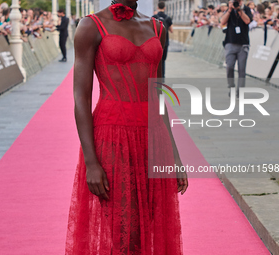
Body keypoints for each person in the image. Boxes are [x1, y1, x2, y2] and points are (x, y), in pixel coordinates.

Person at [65, 0, 188, 254]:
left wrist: (174, 154)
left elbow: (158, 93)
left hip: (154, 139)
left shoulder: (157, 28)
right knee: (126, 234)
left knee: (150, 228)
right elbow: (81, 97)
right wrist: (91, 162)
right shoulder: (90, 26)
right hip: (112, 138)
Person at [221, 0, 253, 98]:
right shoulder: (228, 10)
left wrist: (240, 11)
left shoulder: (246, 9)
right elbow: (222, 22)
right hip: (230, 43)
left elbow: (247, 21)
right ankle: (231, 87)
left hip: (243, 44)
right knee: (229, 67)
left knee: (241, 69)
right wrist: (230, 10)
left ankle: (240, 91)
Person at [152, 1, 173, 78]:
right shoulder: (168, 18)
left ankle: (155, 75)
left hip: (155, 42)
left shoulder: (153, 17)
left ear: (157, 7)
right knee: (163, 60)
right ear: (165, 7)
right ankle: (162, 76)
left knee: (155, 60)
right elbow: (171, 30)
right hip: (165, 42)